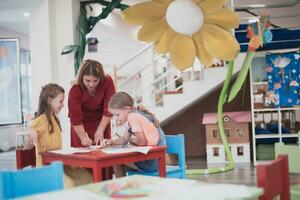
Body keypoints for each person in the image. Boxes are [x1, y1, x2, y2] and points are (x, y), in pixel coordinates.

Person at [29, 83, 92, 187]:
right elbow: (30, 133)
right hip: (47, 166)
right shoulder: (41, 119)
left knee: (87, 177)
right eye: (60, 101)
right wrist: (31, 132)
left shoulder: (54, 118)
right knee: (68, 184)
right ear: (49, 100)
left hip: (58, 162)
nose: (63, 104)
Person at [100, 92, 166, 177]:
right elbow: (124, 139)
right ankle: (124, 186)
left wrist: (132, 140)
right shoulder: (135, 114)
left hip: (152, 161)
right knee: (117, 159)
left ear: (127, 109)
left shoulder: (133, 117)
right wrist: (111, 142)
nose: (116, 118)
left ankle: (122, 187)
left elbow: (141, 141)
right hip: (158, 159)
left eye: (117, 115)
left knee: (116, 160)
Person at [68, 59, 116, 147]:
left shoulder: (107, 82)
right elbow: (75, 118)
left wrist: (101, 129)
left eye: (95, 80)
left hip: (102, 122)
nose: (91, 84)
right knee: (82, 155)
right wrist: (83, 138)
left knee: (103, 150)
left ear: (100, 78)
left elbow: (108, 108)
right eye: (87, 81)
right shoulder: (75, 90)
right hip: (81, 126)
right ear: (81, 77)